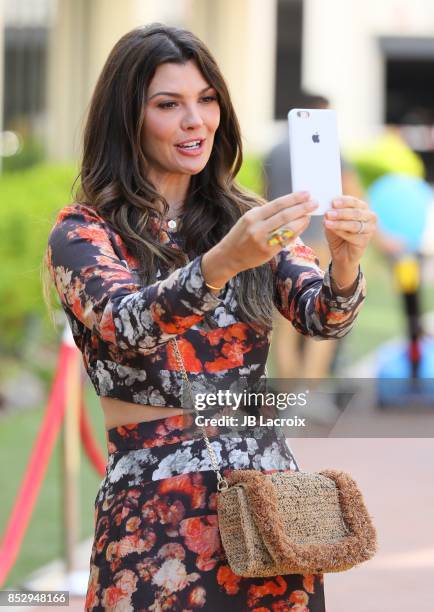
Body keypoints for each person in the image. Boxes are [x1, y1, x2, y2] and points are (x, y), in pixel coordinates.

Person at [43, 24, 376, 612]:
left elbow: (322, 316)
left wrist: (344, 263)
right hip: (156, 507)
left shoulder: (245, 216)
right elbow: (126, 325)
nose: (195, 120)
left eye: (206, 100)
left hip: (268, 506)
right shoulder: (84, 233)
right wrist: (221, 263)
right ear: (129, 119)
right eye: (168, 104)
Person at [263, 93, 365, 383]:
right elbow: (350, 191)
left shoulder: (275, 149)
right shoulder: (330, 146)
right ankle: (310, 389)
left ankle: (289, 389)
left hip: (281, 238)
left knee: (284, 323)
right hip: (320, 235)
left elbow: (263, 193)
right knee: (326, 314)